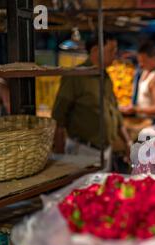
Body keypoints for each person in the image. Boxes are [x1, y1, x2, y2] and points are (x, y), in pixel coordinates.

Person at [52, 33, 132, 173]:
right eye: (110, 51)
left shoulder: (105, 76)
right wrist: (60, 157)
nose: (114, 55)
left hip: (105, 151)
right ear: (95, 50)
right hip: (83, 151)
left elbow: (116, 113)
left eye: (115, 51)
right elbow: (58, 118)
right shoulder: (75, 76)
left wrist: (127, 142)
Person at [122, 41, 155, 123]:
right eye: (139, 61)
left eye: (144, 61)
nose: (141, 65)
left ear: (154, 58)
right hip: (144, 121)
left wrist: (135, 109)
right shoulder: (145, 72)